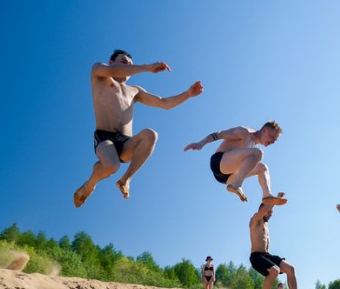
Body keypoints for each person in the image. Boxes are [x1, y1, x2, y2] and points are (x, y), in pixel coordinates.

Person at [73, 49, 203, 207]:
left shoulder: (135, 91)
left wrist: (187, 94)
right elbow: (113, 71)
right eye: (124, 62)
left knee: (151, 135)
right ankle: (89, 186)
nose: (128, 67)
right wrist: (147, 67)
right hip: (105, 137)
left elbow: (164, 103)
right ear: (111, 61)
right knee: (112, 166)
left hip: (126, 142)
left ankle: (126, 179)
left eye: (130, 65)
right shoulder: (99, 71)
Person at [184, 122, 287, 205]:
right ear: (264, 130)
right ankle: (236, 185)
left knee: (262, 167)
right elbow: (220, 134)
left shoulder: (253, 147)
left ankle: (266, 195)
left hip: (226, 178)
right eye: (272, 136)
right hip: (219, 162)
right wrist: (201, 143)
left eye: (275, 140)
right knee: (258, 153)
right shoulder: (244, 132)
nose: (273, 141)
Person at [249, 193, 309, 289]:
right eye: (269, 212)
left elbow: (267, 208)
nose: (271, 215)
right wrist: (275, 200)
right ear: (262, 210)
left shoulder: (266, 225)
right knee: (275, 271)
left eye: (272, 213)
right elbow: (265, 208)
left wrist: (276, 199)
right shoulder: (255, 220)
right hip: (256, 257)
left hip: (267, 256)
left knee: (290, 269)